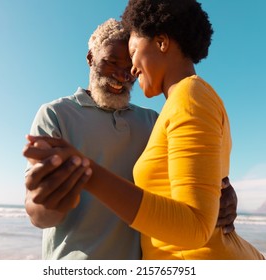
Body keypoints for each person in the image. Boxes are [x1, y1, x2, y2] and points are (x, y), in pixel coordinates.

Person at [24, 18, 239, 260]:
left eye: (129, 67)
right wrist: (47, 203)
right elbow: (37, 214)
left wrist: (222, 196)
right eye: (111, 62)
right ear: (90, 58)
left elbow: (187, 188)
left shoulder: (152, 121)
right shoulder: (56, 114)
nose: (122, 75)